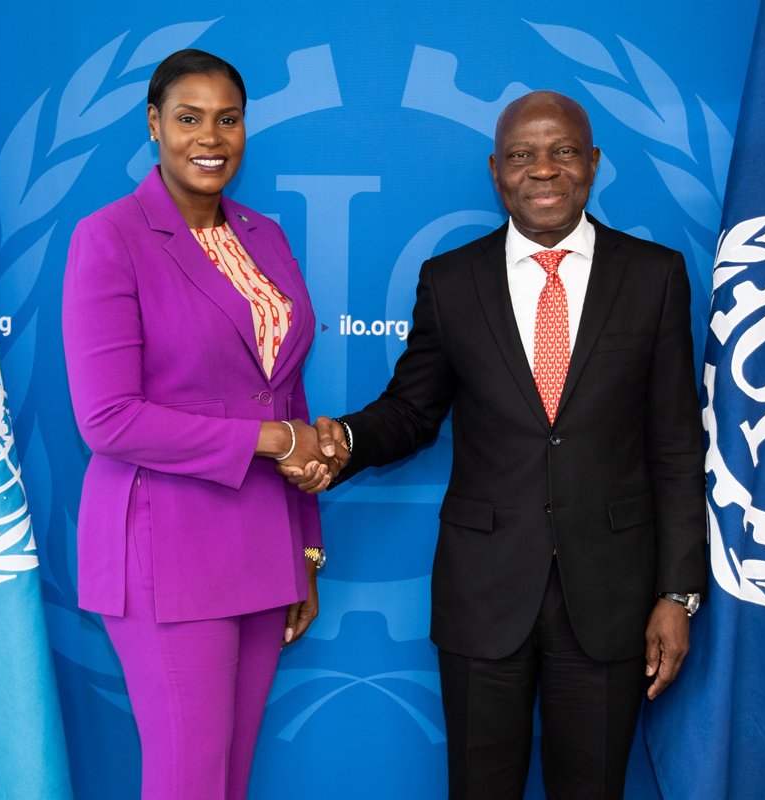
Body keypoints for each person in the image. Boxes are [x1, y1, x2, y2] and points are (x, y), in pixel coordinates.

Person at [284, 91, 707, 799]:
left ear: (594, 163)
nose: (543, 170)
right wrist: (345, 440)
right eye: (522, 155)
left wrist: (678, 593)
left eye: (563, 151)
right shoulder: (452, 282)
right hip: (483, 595)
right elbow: (412, 412)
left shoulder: (653, 276)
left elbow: (673, 444)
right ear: (495, 171)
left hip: (611, 598)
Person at [62, 49, 335, 800]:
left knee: (228, 782)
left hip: (262, 541)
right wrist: (272, 442)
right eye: (188, 118)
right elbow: (109, 420)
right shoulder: (109, 237)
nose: (209, 136)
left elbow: (286, 395)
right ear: (154, 126)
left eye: (228, 119)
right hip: (164, 546)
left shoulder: (264, 235)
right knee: (188, 783)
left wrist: (304, 546)